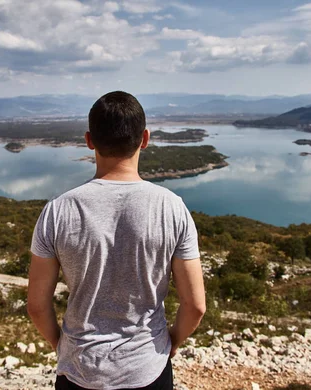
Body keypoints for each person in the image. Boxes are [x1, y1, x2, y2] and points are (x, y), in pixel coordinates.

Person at [27, 91, 206, 390]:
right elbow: (195, 305)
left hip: (79, 370)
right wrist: (171, 341)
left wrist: (63, 345)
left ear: (89, 140)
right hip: (148, 368)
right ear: (145, 138)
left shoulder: (58, 211)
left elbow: (36, 305)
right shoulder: (172, 207)